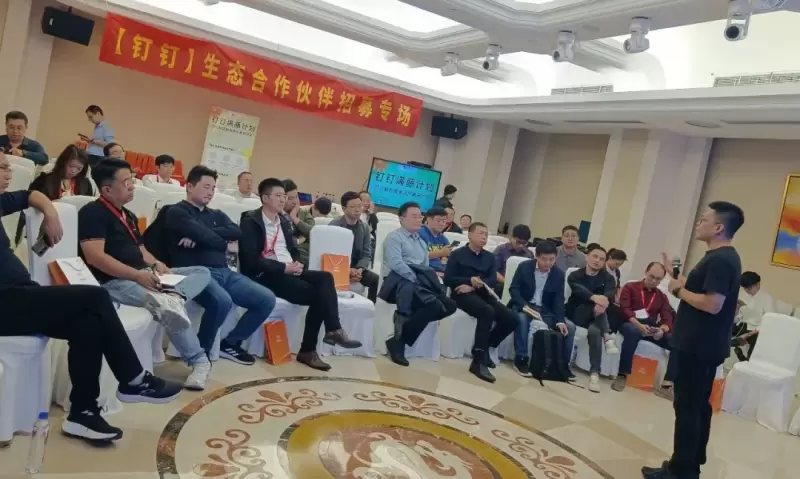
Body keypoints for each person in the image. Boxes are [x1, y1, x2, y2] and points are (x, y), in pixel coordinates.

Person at [0, 151, 182, 442]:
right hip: (6, 302)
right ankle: (133, 379)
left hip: (21, 294)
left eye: (8, 166)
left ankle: (82, 413)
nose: (9, 172)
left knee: (88, 323)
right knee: (95, 298)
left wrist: (49, 212)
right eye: (2, 167)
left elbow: (29, 194)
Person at [78, 159, 215, 390]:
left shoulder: (128, 215)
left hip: (143, 274)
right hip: (115, 282)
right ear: (107, 189)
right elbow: (95, 257)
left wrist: (157, 264)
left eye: (131, 179)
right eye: (126, 182)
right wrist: (136, 275)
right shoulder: (93, 213)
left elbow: (141, 250)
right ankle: (200, 361)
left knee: (202, 272)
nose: (132, 185)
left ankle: (175, 295)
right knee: (164, 304)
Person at [643, 201, 744, 479]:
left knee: (688, 407)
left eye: (704, 219)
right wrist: (676, 277)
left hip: (699, 346)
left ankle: (682, 471)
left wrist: (677, 291)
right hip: (702, 344)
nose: (699, 223)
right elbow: (701, 288)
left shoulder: (720, 259)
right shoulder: (721, 257)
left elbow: (712, 304)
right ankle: (688, 464)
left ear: (719, 227)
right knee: (697, 405)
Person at [239, 178, 361, 371]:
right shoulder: (250, 222)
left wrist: (297, 264)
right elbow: (250, 260)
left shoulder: (284, 221)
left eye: (284, 196)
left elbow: (293, 249)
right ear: (265, 198)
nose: (283, 200)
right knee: (319, 295)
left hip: (289, 268)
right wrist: (283, 268)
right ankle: (308, 350)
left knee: (326, 277)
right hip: (266, 273)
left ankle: (333, 329)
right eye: (278, 196)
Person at [165, 165, 277, 365]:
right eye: (206, 186)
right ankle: (200, 356)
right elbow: (217, 241)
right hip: (196, 273)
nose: (210, 192)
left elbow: (237, 232)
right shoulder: (177, 212)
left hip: (225, 272)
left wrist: (199, 235)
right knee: (222, 301)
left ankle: (231, 343)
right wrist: (217, 239)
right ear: (189, 186)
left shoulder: (216, 214)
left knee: (266, 299)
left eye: (213, 188)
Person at [380, 201, 457, 367]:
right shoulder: (394, 237)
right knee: (433, 305)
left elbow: (426, 267)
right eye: (414, 216)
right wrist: (415, 277)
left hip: (417, 285)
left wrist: (426, 280)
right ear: (402, 219)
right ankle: (399, 345)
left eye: (419, 216)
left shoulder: (421, 243)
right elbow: (396, 264)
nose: (418, 219)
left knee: (449, 305)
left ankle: (399, 338)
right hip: (396, 283)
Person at [444, 222, 518, 383]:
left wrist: (472, 285)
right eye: (480, 233)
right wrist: (468, 280)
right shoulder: (457, 254)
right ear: (470, 235)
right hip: (461, 294)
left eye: (486, 234)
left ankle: (485, 347)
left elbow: (492, 279)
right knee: (487, 311)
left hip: (482, 292)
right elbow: (448, 279)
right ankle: (478, 361)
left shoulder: (490, 257)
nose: (484, 237)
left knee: (511, 319)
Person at [507, 240, 575, 380]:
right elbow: (514, 289)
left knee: (570, 327)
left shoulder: (558, 274)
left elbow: (558, 299)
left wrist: (560, 320)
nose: (548, 263)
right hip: (525, 306)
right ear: (536, 256)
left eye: (552, 259)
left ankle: (563, 365)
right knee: (521, 319)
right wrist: (523, 305)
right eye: (544, 259)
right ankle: (521, 359)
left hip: (545, 310)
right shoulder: (525, 267)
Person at [611, 262, 677, 397]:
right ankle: (622, 374)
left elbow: (667, 318)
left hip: (650, 328)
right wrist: (638, 325)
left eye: (658, 279)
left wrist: (662, 330)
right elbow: (624, 309)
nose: (654, 281)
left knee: (676, 342)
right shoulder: (630, 287)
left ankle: (666, 385)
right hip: (630, 323)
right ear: (646, 272)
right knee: (632, 331)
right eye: (651, 276)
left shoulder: (661, 296)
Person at [565, 244, 620, 393]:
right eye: (595, 256)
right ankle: (607, 336)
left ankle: (594, 374)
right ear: (587, 257)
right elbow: (579, 291)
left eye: (601, 259)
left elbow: (610, 295)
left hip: (597, 319)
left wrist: (601, 302)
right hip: (578, 313)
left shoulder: (608, 278)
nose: (597, 261)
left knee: (595, 332)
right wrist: (595, 298)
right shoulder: (575, 275)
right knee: (593, 307)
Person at [15, 145, 95, 245]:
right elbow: (29, 203)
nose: (74, 171)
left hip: (75, 229)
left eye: (79, 168)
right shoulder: (44, 180)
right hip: (46, 226)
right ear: (63, 163)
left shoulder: (86, 184)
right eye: (71, 166)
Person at [331, 191, 379, 302]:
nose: (357, 210)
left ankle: (369, 308)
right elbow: (329, 254)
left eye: (359, 206)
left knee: (375, 280)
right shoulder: (334, 226)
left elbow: (366, 254)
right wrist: (347, 270)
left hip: (357, 267)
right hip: (336, 267)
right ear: (344, 208)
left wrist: (359, 270)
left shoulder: (364, 227)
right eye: (353, 207)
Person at [733, 271, 772, 361]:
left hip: (756, 330)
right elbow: (739, 318)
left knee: (756, 341)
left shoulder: (766, 298)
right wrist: (736, 310)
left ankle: (747, 361)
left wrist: (749, 334)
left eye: (749, 288)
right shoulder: (742, 296)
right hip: (742, 326)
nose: (747, 290)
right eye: (745, 288)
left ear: (758, 285)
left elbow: (768, 322)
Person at [493, 224, 534, 295]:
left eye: (524, 243)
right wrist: (507, 283)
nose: (521, 245)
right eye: (518, 242)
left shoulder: (529, 254)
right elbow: (493, 271)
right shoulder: (501, 250)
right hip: (502, 284)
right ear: (512, 237)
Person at [417, 206, 451, 275]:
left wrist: (444, 257)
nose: (441, 224)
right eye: (438, 221)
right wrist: (441, 252)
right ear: (429, 219)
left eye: (444, 221)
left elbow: (446, 253)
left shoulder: (442, 238)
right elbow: (419, 256)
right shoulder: (420, 233)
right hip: (424, 271)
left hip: (441, 271)